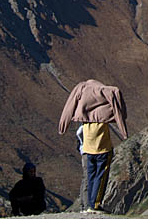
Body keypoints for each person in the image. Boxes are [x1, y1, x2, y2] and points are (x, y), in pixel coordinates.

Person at [58, 79, 128, 214]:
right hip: (103, 146)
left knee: (90, 176)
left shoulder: (81, 89)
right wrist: (123, 132)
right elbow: (118, 107)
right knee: (101, 175)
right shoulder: (106, 91)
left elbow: (69, 107)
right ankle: (95, 204)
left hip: (88, 147)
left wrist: (63, 127)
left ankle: (90, 203)